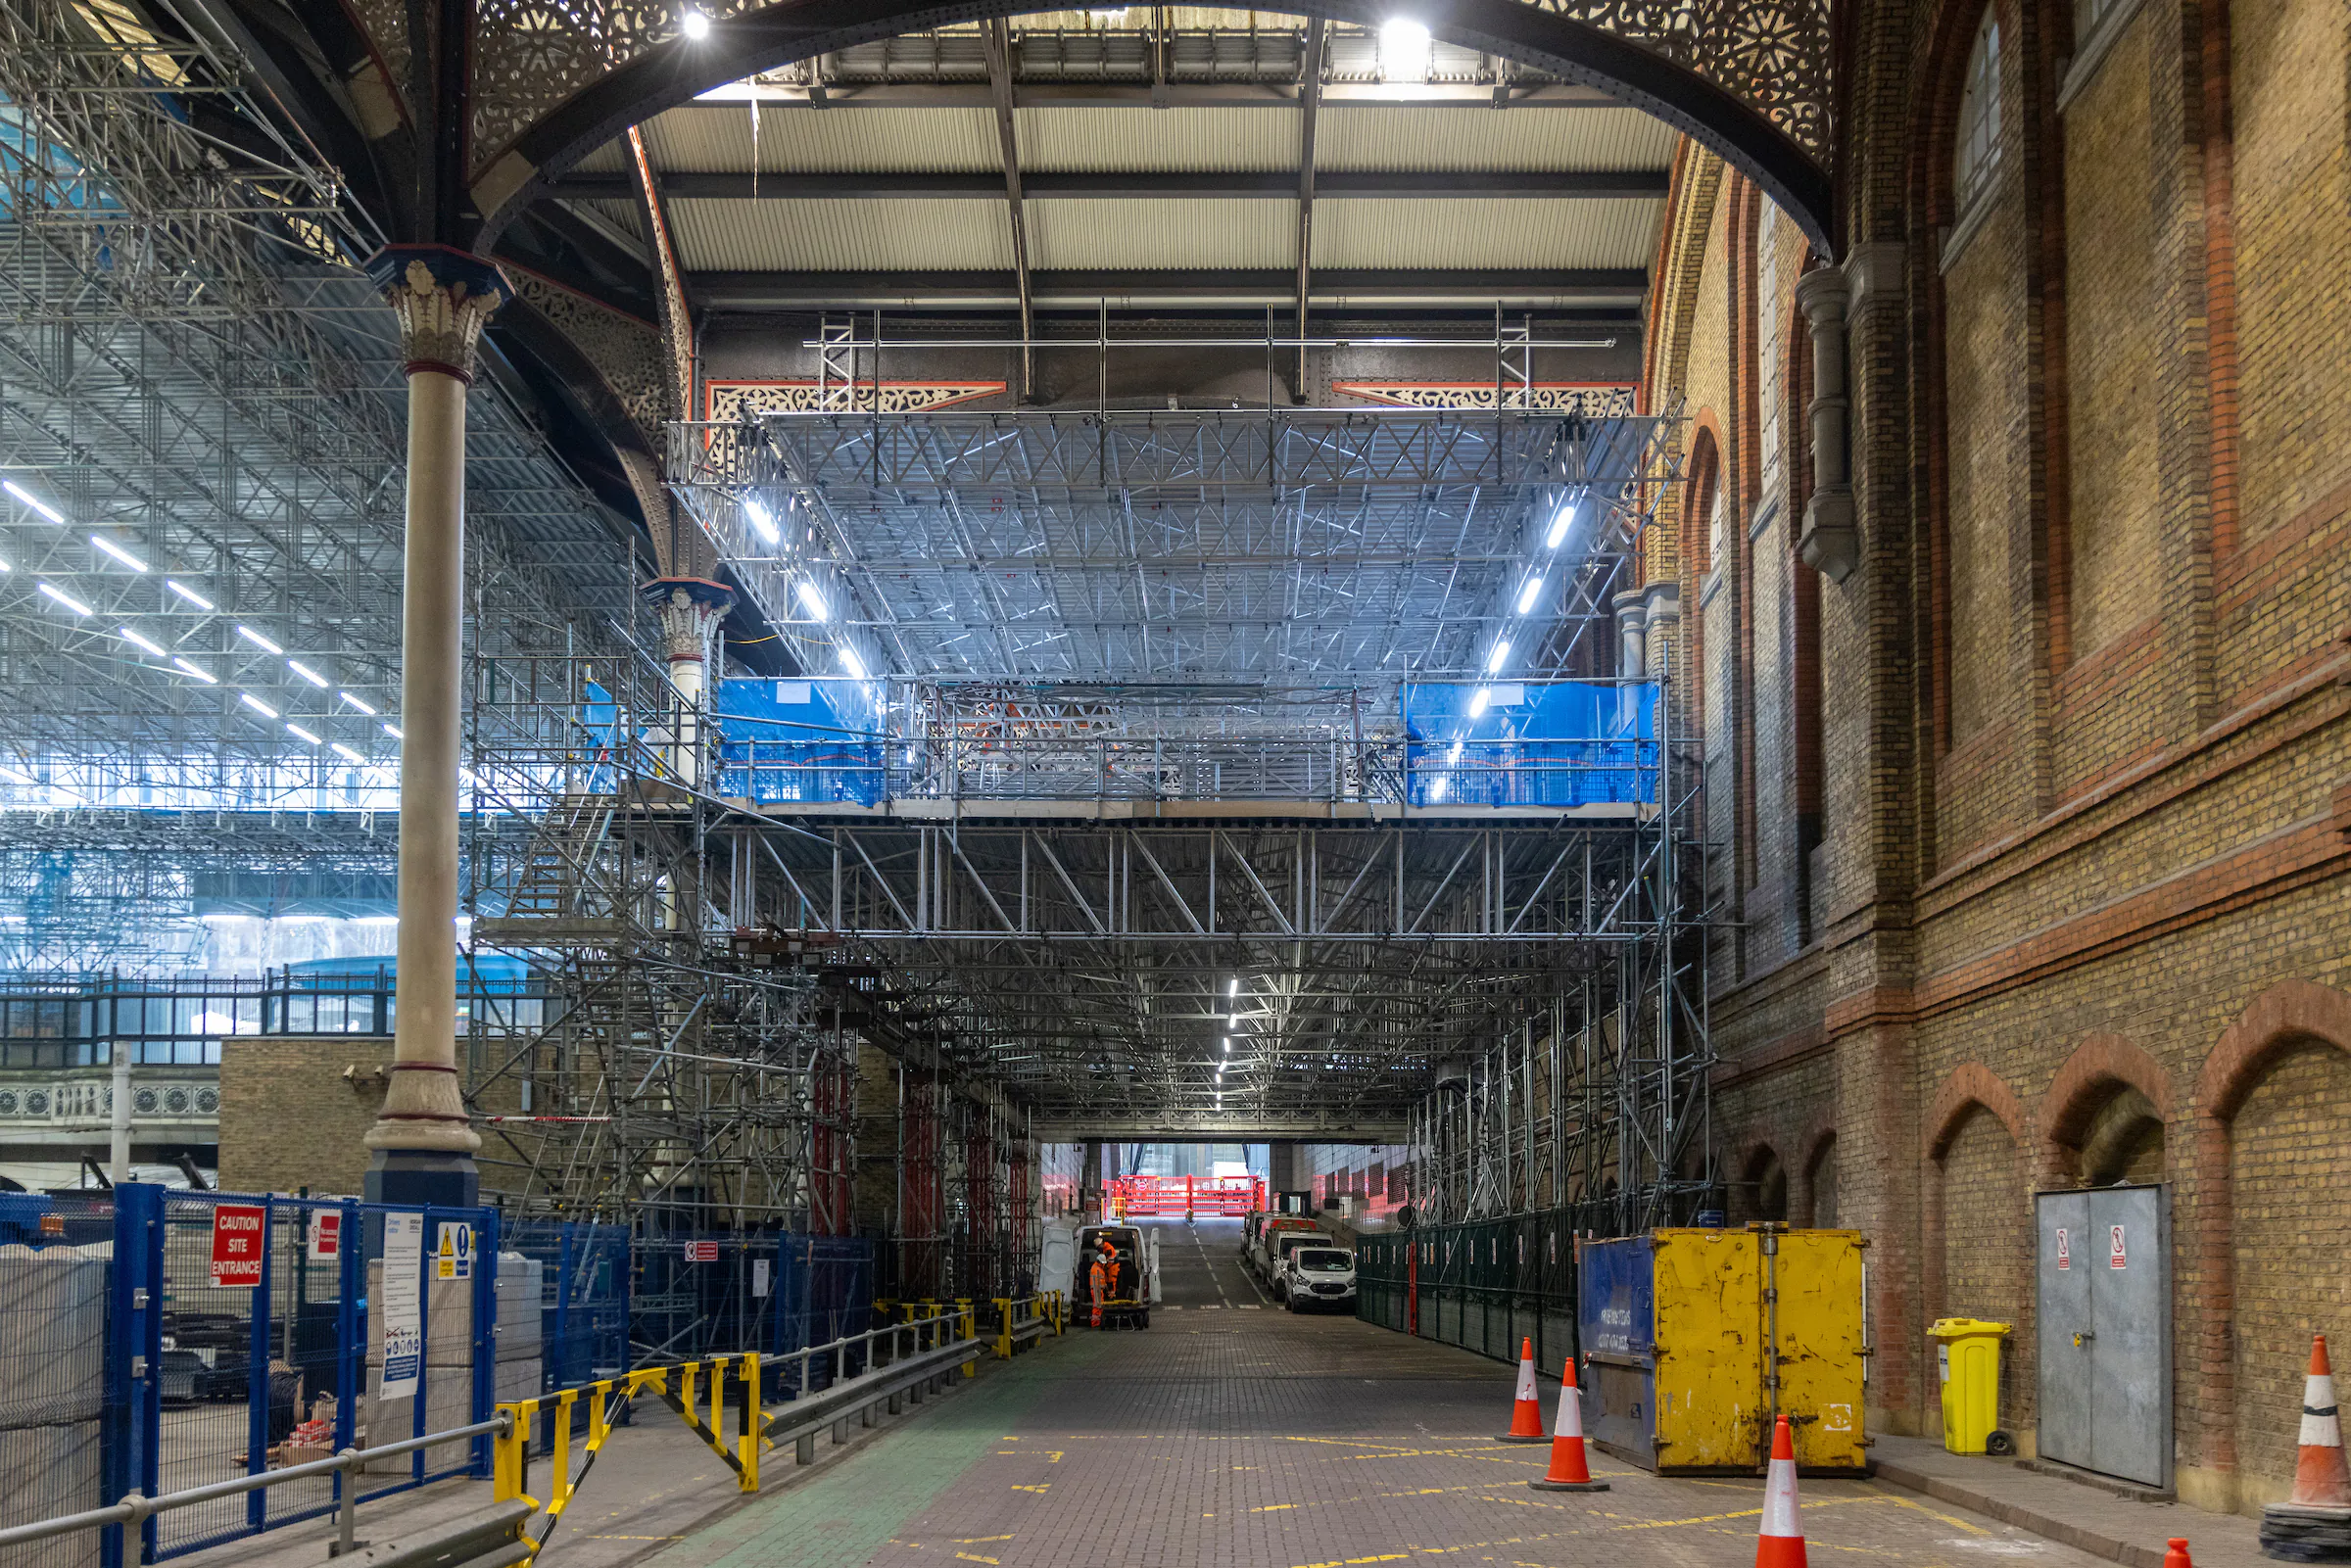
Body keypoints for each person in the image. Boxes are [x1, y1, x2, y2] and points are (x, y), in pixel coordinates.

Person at [1088, 1239, 1116, 1328]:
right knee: (1097, 1307)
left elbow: (1102, 1281)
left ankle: (1098, 1322)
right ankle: (1095, 1323)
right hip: (1096, 1290)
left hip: (1098, 1290)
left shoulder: (1098, 1268)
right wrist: (1108, 1289)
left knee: (1099, 1306)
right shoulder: (1097, 1269)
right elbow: (1100, 1282)